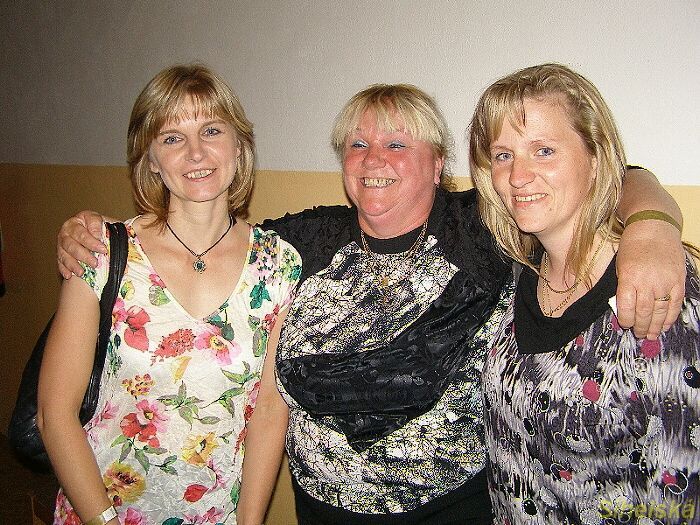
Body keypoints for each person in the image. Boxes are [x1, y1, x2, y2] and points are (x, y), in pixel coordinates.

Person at [56, 83, 685, 524]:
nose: (374, 160)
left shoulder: (485, 225)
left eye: (398, 145)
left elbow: (619, 176)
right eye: (357, 146)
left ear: (438, 166)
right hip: (321, 511)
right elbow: (208, 236)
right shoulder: (306, 241)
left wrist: (652, 225)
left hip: (448, 513)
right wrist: (97, 234)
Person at [37, 64, 301, 525]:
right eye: (173, 138)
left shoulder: (277, 265)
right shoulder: (102, 252)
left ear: (239, 146)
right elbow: (53, 414)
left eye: (211, 130)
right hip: (101, 510)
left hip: (216, 514)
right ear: (152, 160)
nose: (196, 152)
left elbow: (267, 413)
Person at [469, 63, 700, 524]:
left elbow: (680, 498)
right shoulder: (514, 272)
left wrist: (651, 225)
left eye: (544, 150)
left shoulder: (654, 293)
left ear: (595, 160)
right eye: (503, 155)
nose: (518, 176)